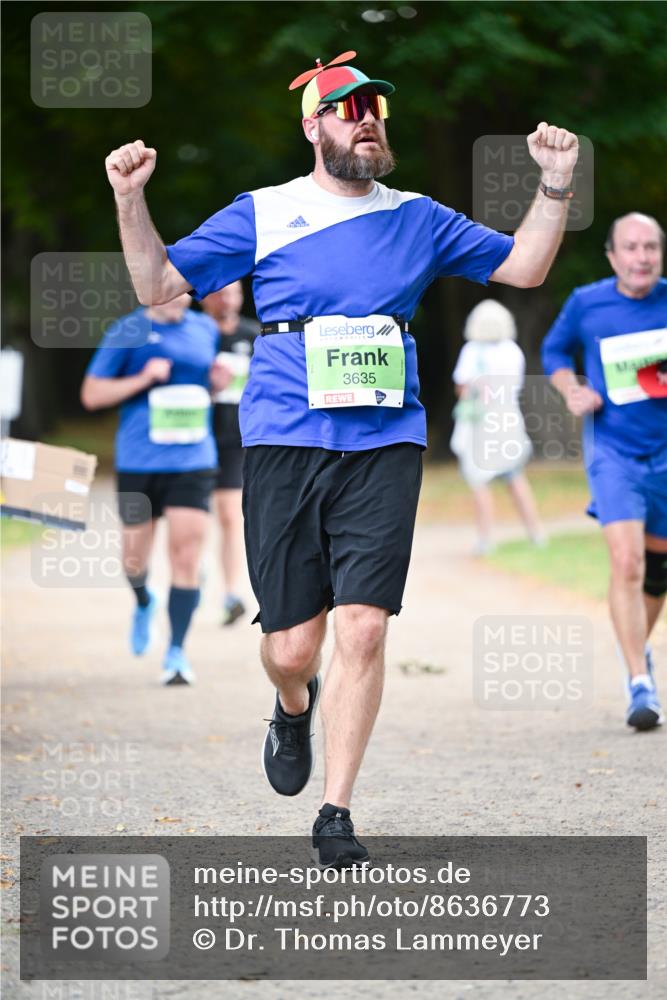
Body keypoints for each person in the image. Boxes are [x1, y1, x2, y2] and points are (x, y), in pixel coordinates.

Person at [104, 52, 578, 865]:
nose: (365, 117)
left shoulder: (418, 216)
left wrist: (556, 183)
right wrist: (129, 199)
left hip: (384, 440)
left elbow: (524, 266)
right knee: (293, 646)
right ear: (311, 125)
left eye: (374, 108)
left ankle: (335, 809)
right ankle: (292, 705)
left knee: (361, 628)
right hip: (285, 441)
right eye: (346, 106)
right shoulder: (263, 211)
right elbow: (155, 284)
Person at [541, 212, 667, 731]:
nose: (642, 257)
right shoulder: (587, 303)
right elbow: (553, 349)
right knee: (628, 561)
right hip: (612, 451)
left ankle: (636, 649)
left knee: (657, 574)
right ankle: (638, 679)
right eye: (631, 248)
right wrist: (572, 388)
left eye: (651, 248)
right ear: (613, 256)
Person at [81, 293, 228, 685]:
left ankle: (177, 652)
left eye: (185, 287)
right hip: (139, 461)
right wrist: (145, 377)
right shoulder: (127, 330)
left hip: (192, 459)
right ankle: (144, 601)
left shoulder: (204, 328)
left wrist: (215, 385)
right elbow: (92, 395)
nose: (181, 295)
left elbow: (201, 389)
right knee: (133, 560)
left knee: (186, 555)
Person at [451, 299, 545, 554]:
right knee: (514, 478)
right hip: (507, 421)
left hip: (480, 424)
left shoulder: (473, 350)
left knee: (479, 481)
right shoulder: (513, 351)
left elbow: (462, 387)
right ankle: (536, 533)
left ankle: (485, 539)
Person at [201, 282, 259, 626]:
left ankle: (231, 593)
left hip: (235, 437)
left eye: (234, 293)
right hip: (193, 436)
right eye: (221, 292)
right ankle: (195, 573)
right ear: (206, 297)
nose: (228, 299)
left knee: (228, 516)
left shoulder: (254, 335)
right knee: (190, 517)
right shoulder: (194, 334)